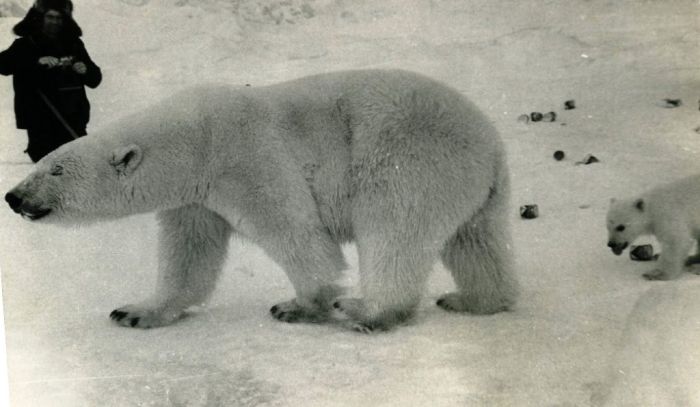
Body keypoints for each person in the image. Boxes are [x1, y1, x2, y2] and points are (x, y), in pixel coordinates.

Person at [0, 0, 101, 162]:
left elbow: (95, 80)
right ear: (40, 17)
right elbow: (3, 65)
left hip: (73, 119)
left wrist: (86, 70)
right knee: (47, 173)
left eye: (59, 18)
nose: (55, 22)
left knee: (77, 167)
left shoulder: (74, 45)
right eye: (50, 17)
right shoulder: (25, 44)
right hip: (40, 122)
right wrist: (36, 62)